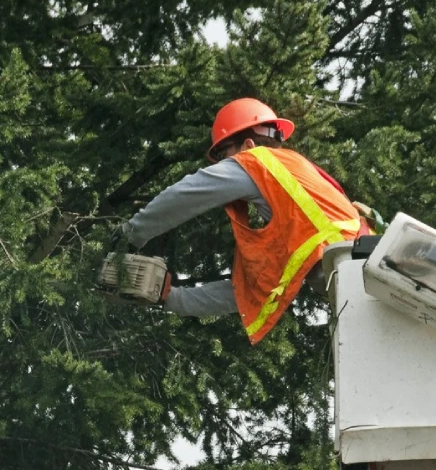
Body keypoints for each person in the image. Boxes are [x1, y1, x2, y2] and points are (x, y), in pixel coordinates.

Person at [114, 97, 372, 344]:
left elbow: (186, 194)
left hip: (357, 272)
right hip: (362, 281)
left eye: (226, 157)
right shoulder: (297, 217)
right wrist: (171, 297)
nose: (227, 167)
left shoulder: (258, 161)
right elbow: (249, 290)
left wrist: (131, 234)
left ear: (247, 145)